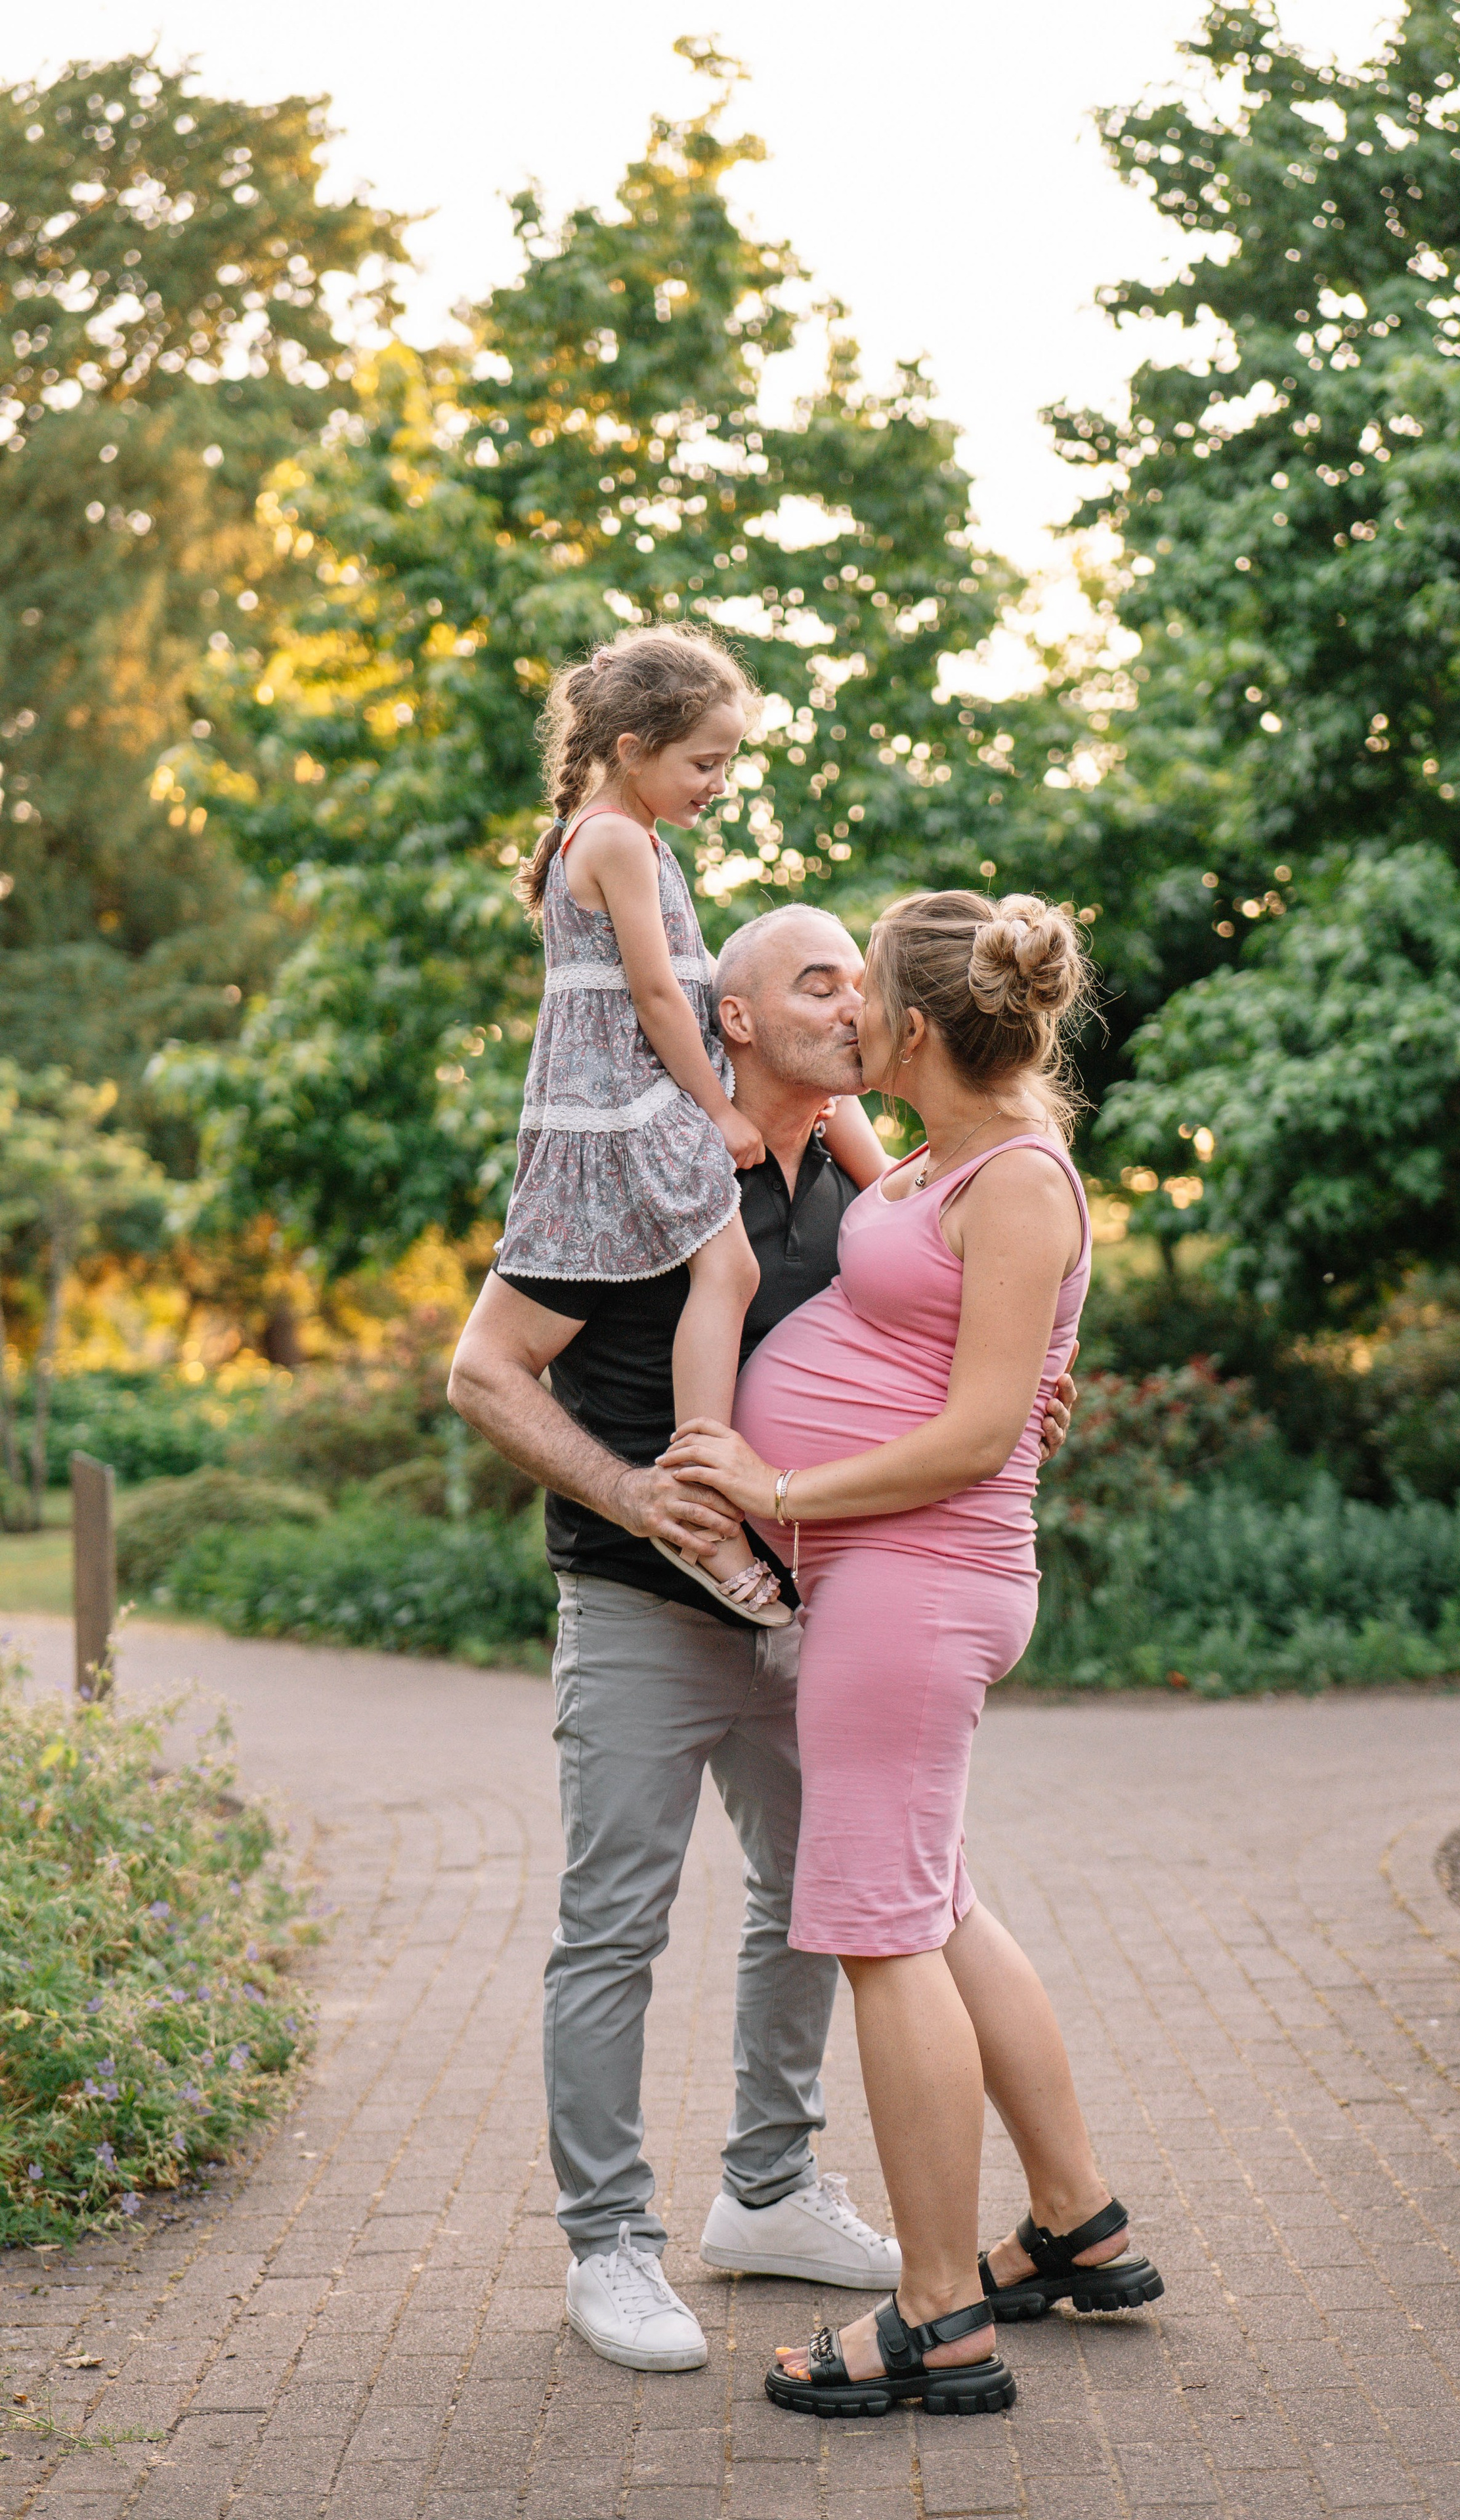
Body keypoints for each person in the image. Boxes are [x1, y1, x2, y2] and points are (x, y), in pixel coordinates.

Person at [448, 900, 1078, 2377]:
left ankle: (771, 2190)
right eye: (816, 981)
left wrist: (1032, 1389)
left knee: (816, 1906)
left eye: (860, 982)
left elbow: (963, 1306)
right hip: (639, 1603)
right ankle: (609, 2243)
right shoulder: (630, 1167)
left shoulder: (865, 1177)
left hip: (818, 1606)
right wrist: (636, 1500)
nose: (853, 1001)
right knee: (615, 1925)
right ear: (729, 1020)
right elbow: (482, 1371)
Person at [660, 891, 1164, 2420]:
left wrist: (777, 1486)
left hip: (912, 1585)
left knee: (879, 1934)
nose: (850, 1016)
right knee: (933, 1906)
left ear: (923, 1029)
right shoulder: (937, 1153)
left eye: (866, 994)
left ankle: (938, 2313)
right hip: (897, 1583)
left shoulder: (1015, 1178)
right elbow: (926, 1317)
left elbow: (972, 1430)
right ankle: (1074, 2221)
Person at [498, 622, 881, 1626]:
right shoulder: (619, 838)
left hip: (643, 1084)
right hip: (626, 1098)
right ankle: (706, 1495)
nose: (719, 782)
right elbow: (664, 999)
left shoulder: (632, 834)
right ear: (632, 748)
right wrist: (715, 1108)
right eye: (706, 762)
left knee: (823, 1137)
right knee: (730, 1268)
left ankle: (902, 1196)